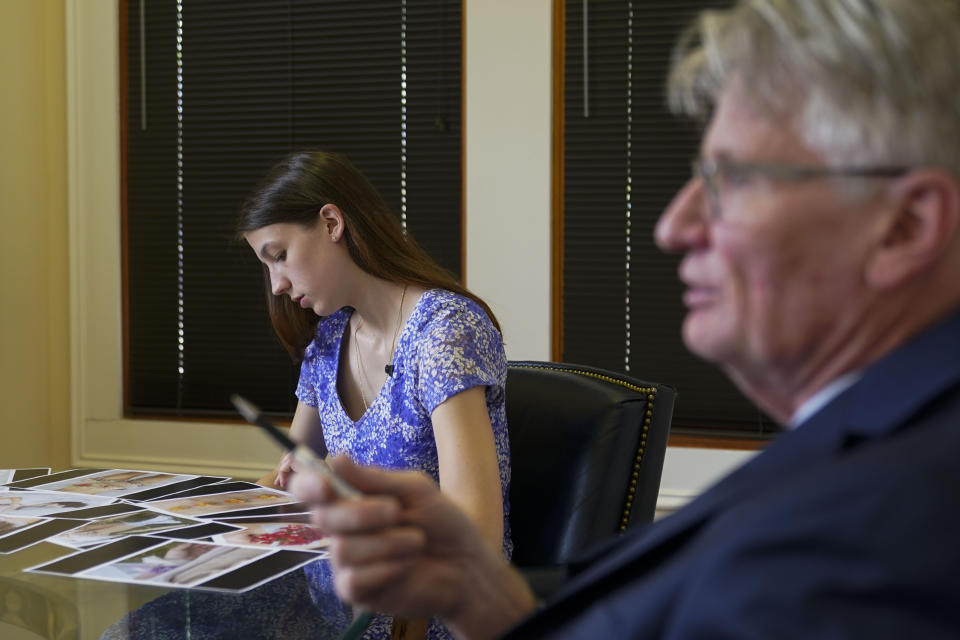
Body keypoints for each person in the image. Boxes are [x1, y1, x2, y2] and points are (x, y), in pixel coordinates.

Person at [289, 1, 960, 638]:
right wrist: (483, 598)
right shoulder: (869, 435)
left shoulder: (899, 524)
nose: (674, 226)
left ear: (904, 228)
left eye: (734, 180)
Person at [103, 151, 511, 640]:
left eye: (279, 255)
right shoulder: (329, 338)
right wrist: (215, 534)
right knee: (135, 630)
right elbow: (289, 484)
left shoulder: (444, 331)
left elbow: (476, 534)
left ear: (332, 222)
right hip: (323, 605)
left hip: (423, 615)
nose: (276, 284)